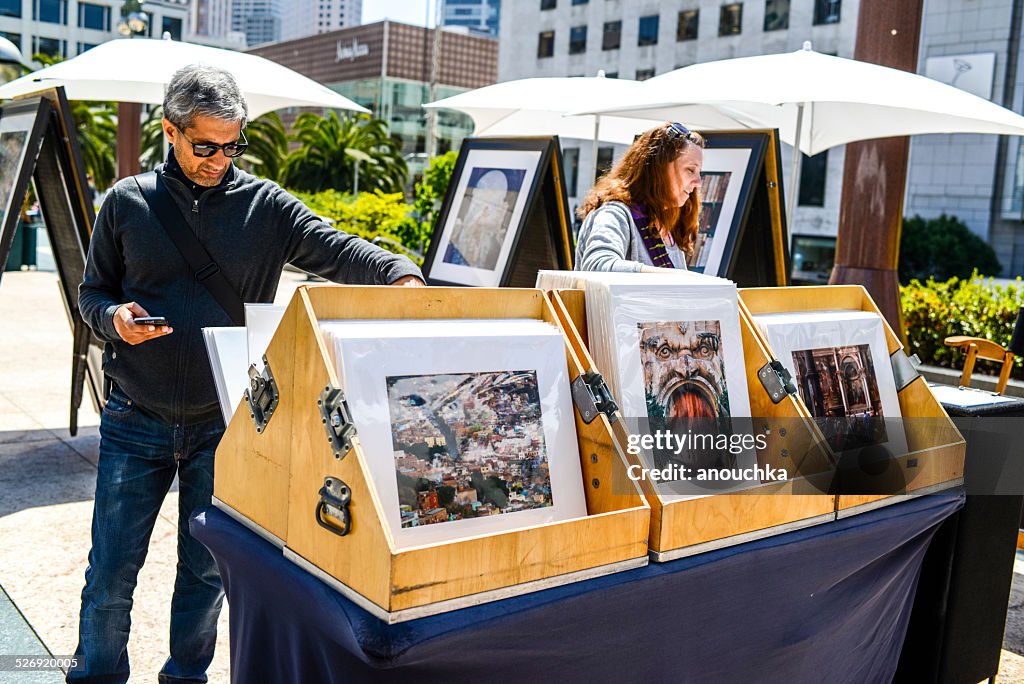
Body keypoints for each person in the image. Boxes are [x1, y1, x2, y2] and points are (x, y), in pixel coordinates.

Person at [71, 64, 424, 684]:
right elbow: (92, 292)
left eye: (232, 146)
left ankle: (187, 676)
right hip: (135, 418)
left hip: (226, 425)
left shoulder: (267, 207)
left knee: (207, 571)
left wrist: (400, 273)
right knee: (110, 570)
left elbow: (337, 247)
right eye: (204, 146)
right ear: (170, 132)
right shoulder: (127, 202)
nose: (217, 160)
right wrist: (113, 318)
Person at [574, 122, 705, 272]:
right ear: (659, 168)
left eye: (698, 172)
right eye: (690, 170)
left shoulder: (665, 226)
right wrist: (670, 277)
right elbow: (597, 266)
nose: (698, 182)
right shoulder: (614, 214)